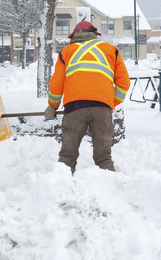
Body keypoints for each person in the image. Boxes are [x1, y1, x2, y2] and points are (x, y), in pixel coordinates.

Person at [45, 21, 130, 173]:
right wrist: (109, 103)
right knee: (104, 157)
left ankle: (62, 187)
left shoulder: (67, 51)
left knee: (67, 157)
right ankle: (109, 189)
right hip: (102, 108)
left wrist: (52, 106)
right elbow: (124, 83)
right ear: (94, 34)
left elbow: (56, 83)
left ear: (76, 35)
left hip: (74, 108)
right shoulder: (110, 50)